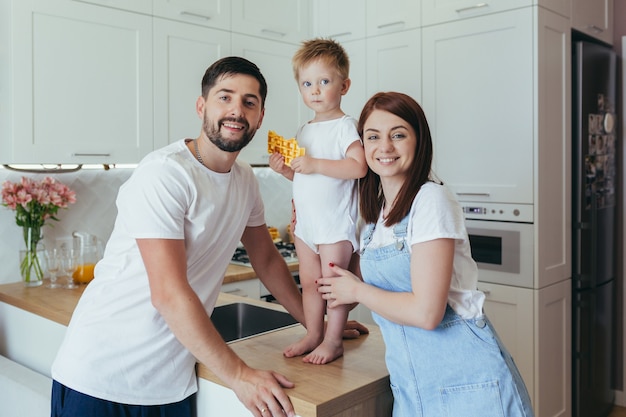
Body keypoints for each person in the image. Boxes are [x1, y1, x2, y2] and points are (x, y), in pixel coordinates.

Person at [50, 56, 367, 417]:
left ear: (260, 117)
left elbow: (266, 260)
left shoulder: (245, 179)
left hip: (172, 382)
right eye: (225, 97)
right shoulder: (165, 174)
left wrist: (319, 327)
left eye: (249, 102)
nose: (237, 110)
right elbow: (168, 294)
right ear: (202, 105)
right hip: (102, 380)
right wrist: (239, 375)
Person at [317, 92, 535, 416]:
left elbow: (426, 313)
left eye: (398, 134)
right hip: (413, 388)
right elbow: (345, 291)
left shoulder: (431, 200)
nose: (385, 147)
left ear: (419, 141)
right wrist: (311, 227)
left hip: (469, 387)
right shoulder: (375, 219)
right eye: (373, 136)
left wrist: (357, 290)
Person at [269, 38, 367, 365]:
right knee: (310, 284)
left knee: (332, 285)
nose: (315, 90)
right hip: (307, 226)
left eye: (324, 82)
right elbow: (306, 177)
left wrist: (314, 165)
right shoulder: (304, 130)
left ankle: (334, 340)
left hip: (334, 224)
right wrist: (286, 171)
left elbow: (358, 166)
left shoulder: (346, 126)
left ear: (344, 85)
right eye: (307, 83)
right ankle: (313, 333)